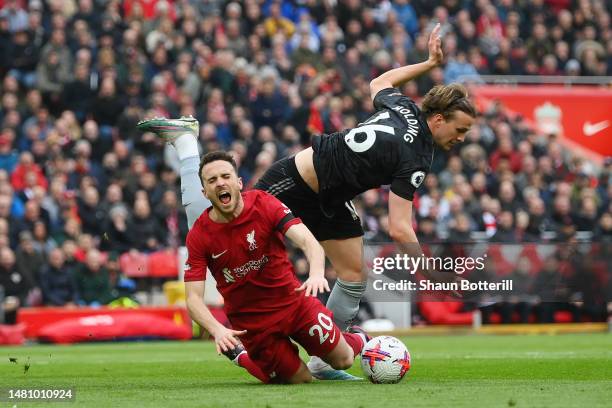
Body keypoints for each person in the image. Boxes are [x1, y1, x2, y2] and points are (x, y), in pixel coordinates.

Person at [137, 23, 476, 378]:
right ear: (437, 120)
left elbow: (380, 83)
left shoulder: (404, 107)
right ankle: (187, 144)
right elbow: (400, 229)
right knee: (216, 221)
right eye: (460, 130)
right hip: (295, 182)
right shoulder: (417, 156)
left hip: (332, 196)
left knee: (353, 275)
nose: (462, 138)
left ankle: (325, 360)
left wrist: (427, 63)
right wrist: (430, 274)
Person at [180, 151, 368, 383]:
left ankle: (360, 338)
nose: (220, 183)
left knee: (344, 360)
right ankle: (240, 355)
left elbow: (308, 241)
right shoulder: (199, 236)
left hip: (294, 304)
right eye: (212, 180)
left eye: (225, 176)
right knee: (300, 379)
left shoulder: (264, 203)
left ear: (238, 183)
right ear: (205, 192)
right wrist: (218, 329)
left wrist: (317, 273)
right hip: (253, 325)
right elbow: (193, 300)